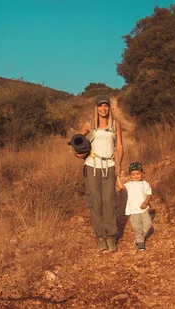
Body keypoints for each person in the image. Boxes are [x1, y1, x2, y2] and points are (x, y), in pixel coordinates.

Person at [73, 95, 123, 251]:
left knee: (109, 202)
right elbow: (77, 143)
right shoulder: (89, 125)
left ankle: (111, 237)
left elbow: (120, 147)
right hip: (92, 166)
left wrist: (119, 165)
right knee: (95, 203)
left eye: (106, 106)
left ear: (109, 108)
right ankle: (100, 237)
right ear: (96, 108)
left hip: (109, 166)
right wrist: (78, 154)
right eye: (100, 106)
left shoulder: (115, 125)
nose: (103, 109)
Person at [116, 161, 152, 251]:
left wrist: (145, 203)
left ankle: (140, 238)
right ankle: (140, 242)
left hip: (143, 210)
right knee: (137, 227)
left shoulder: (145, 184)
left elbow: (149, 194)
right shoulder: (129, 185)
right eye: (133, 174)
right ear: (130, 175)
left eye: (138, 174)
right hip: (134, 211)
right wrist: (117, 176)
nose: (136, 176)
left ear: (142, 173)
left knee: (148, 224)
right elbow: (120, 187)